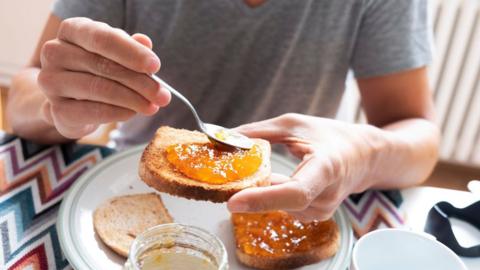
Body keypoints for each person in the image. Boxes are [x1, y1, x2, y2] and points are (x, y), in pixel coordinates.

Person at [7, 0, 439, 221]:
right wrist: (57, 107)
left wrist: (361, 152)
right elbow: (25, 96)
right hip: (133, 191)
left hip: (289, 202)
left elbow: (418, 138)